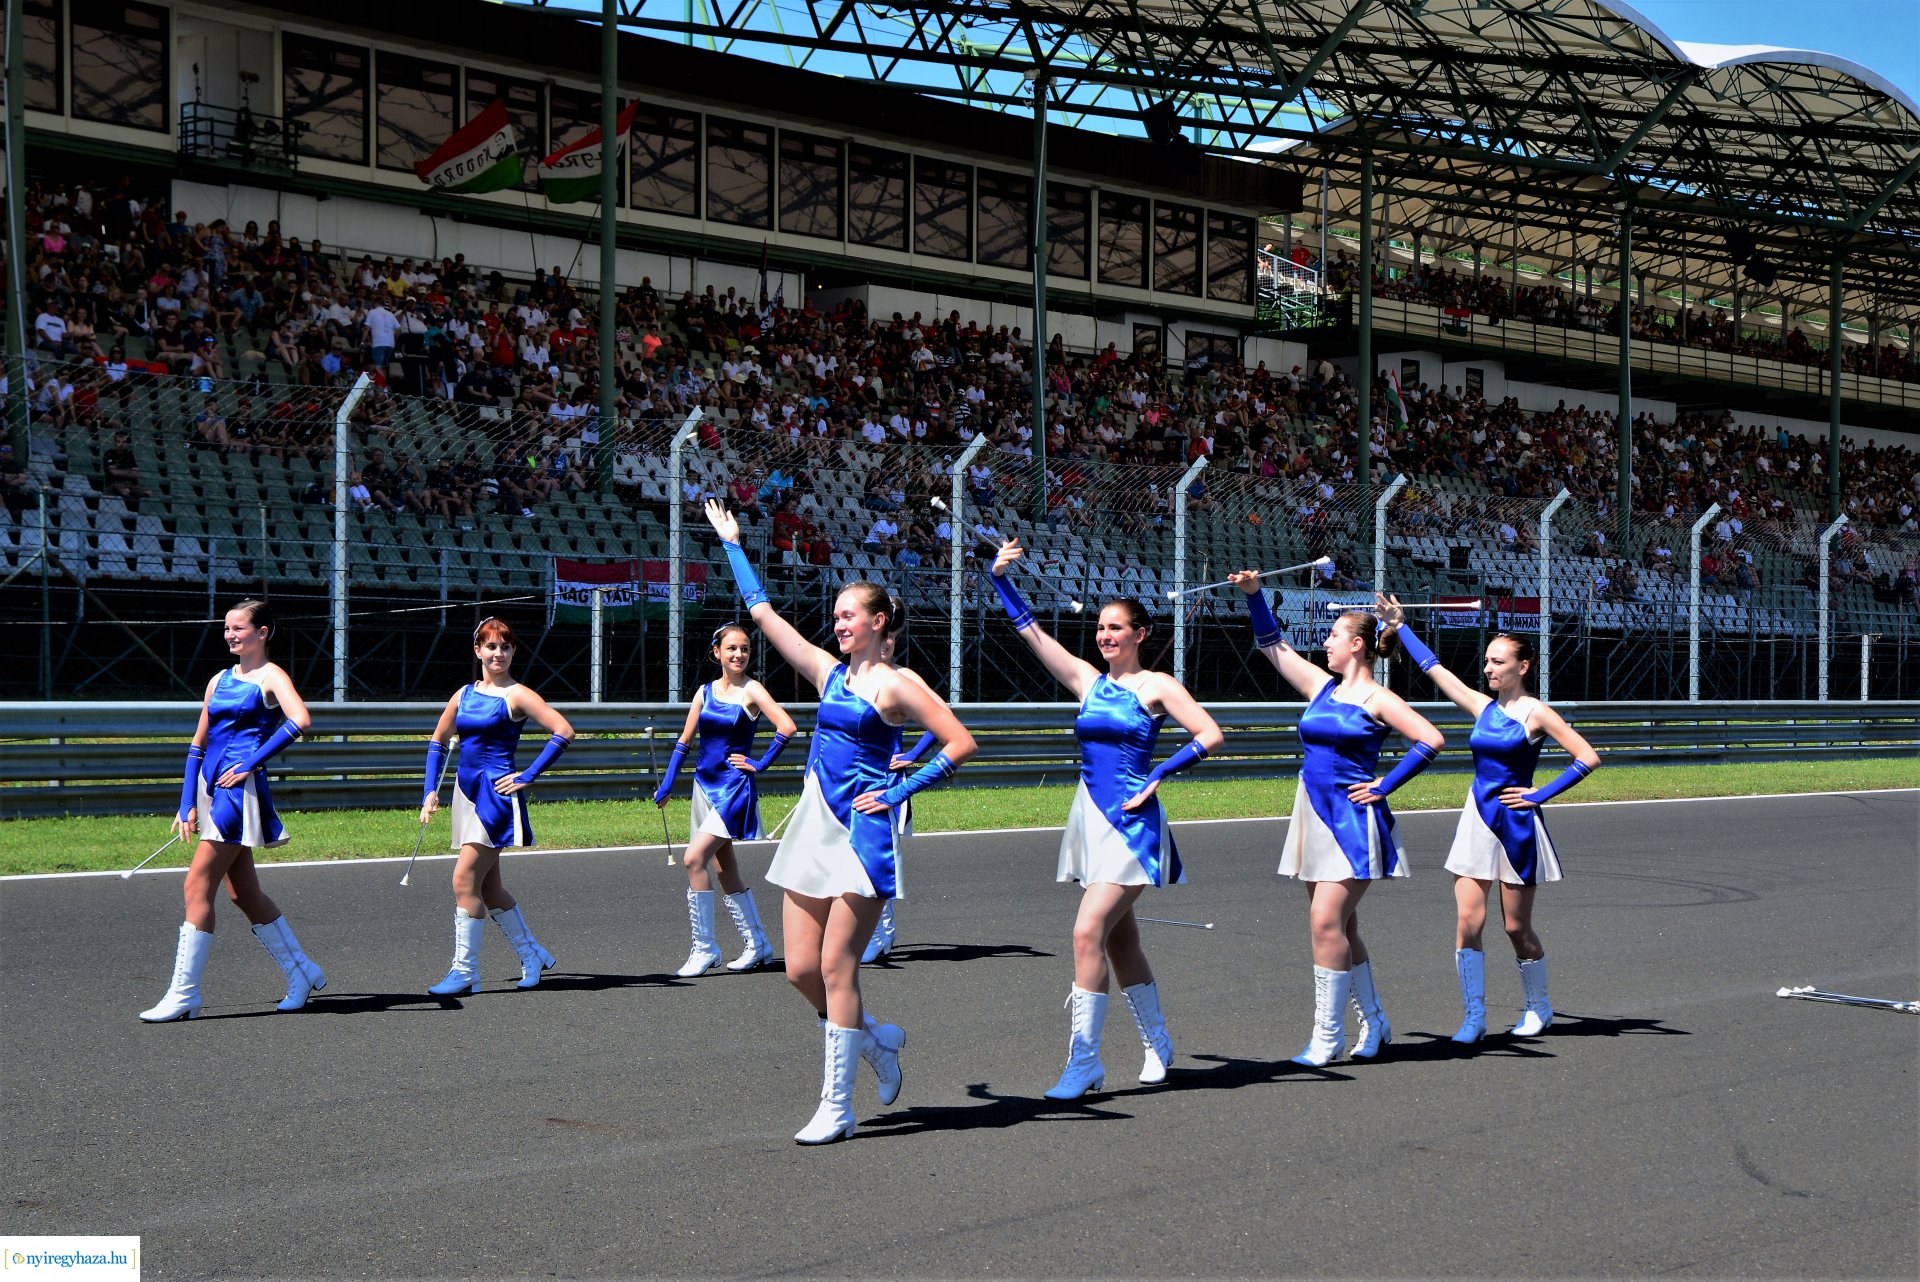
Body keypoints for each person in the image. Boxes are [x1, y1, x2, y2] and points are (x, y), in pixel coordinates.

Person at [702, 498, 977, 1144]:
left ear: (880, 622)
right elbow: (765, 615)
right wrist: (735, 546)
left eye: (849, 615)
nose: (838, 623)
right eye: (835, 616)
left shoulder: (899, 684)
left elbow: (961, 743)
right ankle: (874, 1042)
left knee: (836, 969)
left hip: (861, 838)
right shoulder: (826, 673)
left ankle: (837, 1106)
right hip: (812, 830)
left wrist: (902, 787)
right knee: (799, 969)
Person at [991, 540, 1224, 1097]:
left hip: (1133, 821)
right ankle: (1158, 1041)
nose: (1104, 635)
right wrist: (999, 578)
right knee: (1120, 943)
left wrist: (1161, 772)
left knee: (1086, 930)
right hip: (1090, 819)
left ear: (1140, 634)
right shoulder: (1087, 681)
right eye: (1100, 627)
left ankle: (1085, 1060)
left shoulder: (1158, 685)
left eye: (1116, 628)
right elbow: (1032, 634)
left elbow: (1211, 735)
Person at [1232, 573, 1444, 1066]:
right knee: (1342, 927)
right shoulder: (1321, 687)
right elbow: (1272, 645)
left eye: (1331, 637)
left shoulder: (1378, 698)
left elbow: (1431, 739)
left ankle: (1326, 1036)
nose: (1325, 643)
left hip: (1352, 819)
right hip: (1313, 811)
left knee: (1325, 920)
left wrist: (1385, 785)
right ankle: (1374, 1020)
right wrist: (1254, 596)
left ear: (1356, 644)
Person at [1378, 595, 1600, 1042]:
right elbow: (1434, 670)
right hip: (1477, 819)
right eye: (1487, 662)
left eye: (1498, 662)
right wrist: (1401, 627)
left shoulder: (1536, 713)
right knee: (1468, 922)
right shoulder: (1483, 707)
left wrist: (1539, 794)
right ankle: (1473, 1018)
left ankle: (1539, 1006)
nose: (1489, 669)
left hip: (1517, 824)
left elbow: (1587, 757)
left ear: (1523, 667)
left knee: (1516, 926)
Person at [141, 601, 324, 1021]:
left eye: (238, 628)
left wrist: (252, 762)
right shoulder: (218, 679)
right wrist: (187, 801)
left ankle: (184, 993)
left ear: (262, 632)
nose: (229, 634)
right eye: (226, 628)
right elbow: (197, 744)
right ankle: (302, 970)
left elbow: (300, 720)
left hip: (238, 795)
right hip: (209, 789)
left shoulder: (271, 675)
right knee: (242, 893)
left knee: (196, 884)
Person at [418, 618, 574, 996]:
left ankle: (465, 971)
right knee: (489, 889)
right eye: (490, 646)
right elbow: (438, 742)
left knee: (463, 880)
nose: (498, 653)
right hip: (465, 795)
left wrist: (529, 774)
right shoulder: (463, 694)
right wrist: (429, 792)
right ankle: (532, 953)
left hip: (495, 798)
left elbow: (564, 730)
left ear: (513, 651)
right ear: (478, 651)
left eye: (505, 646)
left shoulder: (518, 695)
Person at [650, 623, 797, 976]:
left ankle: (705, 948)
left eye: (745, 648)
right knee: (723, 868)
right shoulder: (704, 692)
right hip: (704, 786)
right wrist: (668, 782)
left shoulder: (753, 690)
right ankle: (758, 942)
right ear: (717, 652)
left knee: (693, 859)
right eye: (731, 648)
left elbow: (787, 726)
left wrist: (759, 764)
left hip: (734, 789)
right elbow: (685, 741)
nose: (739, 654)